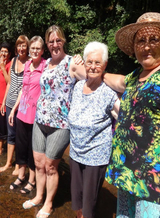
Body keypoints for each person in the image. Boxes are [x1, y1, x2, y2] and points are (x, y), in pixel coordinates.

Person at [104, 12, 160, 218]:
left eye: (154, 40)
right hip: (128, 182)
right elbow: (118, 82)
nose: (146, 46)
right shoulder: (136, 75)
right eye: (140, 41)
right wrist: (97, 73)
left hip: (158, 190)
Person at [22, 25, 86, 218]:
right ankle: (38, 196)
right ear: (47, 44)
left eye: (58, 40)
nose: (55, 44)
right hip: (39, 120)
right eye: (51, 41)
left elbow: (93, 79)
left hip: (61, 125)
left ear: (63, 41)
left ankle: (48, 204)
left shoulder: (72, 63)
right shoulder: (46, 62)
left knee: (51, 166)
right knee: (39, 163)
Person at [68, 41, 119, 218]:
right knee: (77, 197)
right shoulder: (77, 87)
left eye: (98, 63)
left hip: (96, 155)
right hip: (75, 151)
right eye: (89, 62)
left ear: (105, 65)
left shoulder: (108, 92)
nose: (93, 66)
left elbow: (125, 116)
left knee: (89, 202)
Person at [8, 36, 46, 193]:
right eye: (33, 48)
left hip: (36, 116)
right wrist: (13, 109)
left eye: (38, 48)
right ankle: (21, 176)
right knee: (21, 146)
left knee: (33, 149)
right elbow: (23, 90)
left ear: (43, 50)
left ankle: (31, 180)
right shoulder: (28, 64)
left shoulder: (46, 66)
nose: (35, 50)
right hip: (22, 113)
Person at [0, 35, 30, 174]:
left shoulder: (30, 62)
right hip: (10, 102)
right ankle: (8, 163)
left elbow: (25, 87)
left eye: (24, 45)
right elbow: (9, 82)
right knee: (11, 134)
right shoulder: (13, 61)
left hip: (22, 105)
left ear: (27, 47)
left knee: (20, 135)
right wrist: (4, 101)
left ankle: (19, 165)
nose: (21, 48)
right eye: (19, 45)